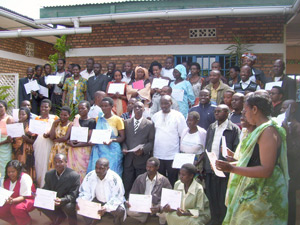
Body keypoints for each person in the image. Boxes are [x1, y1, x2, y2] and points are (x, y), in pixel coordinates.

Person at [216, 93, 289, 225]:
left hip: (263, 194)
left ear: (254, 109)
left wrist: (232, 168)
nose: (244, 115)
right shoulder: (260, 130)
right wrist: (229, 165)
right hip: (254, 191)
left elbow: (266, 170)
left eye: (246, 110)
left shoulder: (268, 131)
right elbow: (253, 161)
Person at [204, 104, 240, 225]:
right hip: (211, 166)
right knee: (211, 194)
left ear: (227, 113)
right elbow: (207, 145)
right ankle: (214, 219)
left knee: (223, 196)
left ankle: (223, 220)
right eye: (215, 111)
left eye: (220, 111)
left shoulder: (233, 128)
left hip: (224, 168)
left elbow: (236, 149)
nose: (216, 113)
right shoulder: (212, 127)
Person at [78, 158, 125, 225]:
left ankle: (117, 221)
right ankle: (92, 221)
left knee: (120, 210)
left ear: (107, 168)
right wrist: (81, 201)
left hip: (110, 202)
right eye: (96, 168)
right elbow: (85, 192)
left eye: (101, 168)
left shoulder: (114, 178)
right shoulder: (90, 175)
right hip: (97, 201)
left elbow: (117, 197)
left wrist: (106, 207)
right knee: (82, 205)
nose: (98, 170)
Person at [122, 101, 155, 197]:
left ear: (144, 109)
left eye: (140, 107)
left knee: (140, 184)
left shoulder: (149, 124)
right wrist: (124, 148)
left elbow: (151, 141)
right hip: (128, 159)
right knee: (127, 183)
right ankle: (127, 203)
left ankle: (139, 205)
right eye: (135, 107)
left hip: (141, 159)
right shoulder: (126, 122)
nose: (137, 109)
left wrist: (143, 149)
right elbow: (124, 139)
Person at [152, 95, 187, 186]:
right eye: (162, 104)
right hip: (158, 154)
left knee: (172, 179)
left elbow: (182, 135)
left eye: (166, 103)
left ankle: (172, 198)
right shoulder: (155, 116)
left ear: (171, 103)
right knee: (159, 180)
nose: (164, 106)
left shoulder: (178, 116)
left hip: (172, 155)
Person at [127, 157, 172, 225]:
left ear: (157, 167)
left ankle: (161, 222)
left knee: (166, 213)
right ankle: (145, 217)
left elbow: (168, 198)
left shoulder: (164, 180)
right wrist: (129, 201)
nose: (148, 169)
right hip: (143, 204)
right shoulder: (140, 178)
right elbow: (133, 193)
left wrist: (159, 207)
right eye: (147, 166)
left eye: (151, 167)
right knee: (129, 211)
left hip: (157, 206)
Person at [87, 97, 125, 177]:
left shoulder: (118, 120)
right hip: (99, 150)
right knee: (97, 172)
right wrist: (92, 140)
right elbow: (97, 134)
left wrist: (111, 140)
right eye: (102, 106)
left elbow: (122, 137)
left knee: (112, 172)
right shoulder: (98, 119)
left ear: (111, 106)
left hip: (112, 150)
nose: (103, 108)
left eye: (106, 106)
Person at [39, 154, 80, 225]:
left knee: (69, 207)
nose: (57, 164)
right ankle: (57, 218)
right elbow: (46, 188)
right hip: (54, 200)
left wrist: (61, 200)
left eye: (60, 162)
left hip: (66, 201)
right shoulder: (49, 174)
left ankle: (73, 221)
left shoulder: (74, 175)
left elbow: (73, 194)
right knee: (38, 202)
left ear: (66, 162)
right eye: (55, 162)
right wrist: (39, 195)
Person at [280, 100, 300, 225]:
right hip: (282, 168)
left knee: (290, 199)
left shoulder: (297, 127)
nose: (282, 110)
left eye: (285, 108)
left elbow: (295, 151)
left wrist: (287, 134)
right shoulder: (281, 123)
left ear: (292, 110)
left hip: (292, 169)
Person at [67, 101, 96, 182]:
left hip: (84, 151)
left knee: (83, 171)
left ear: (88, 109)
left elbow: (90, 139)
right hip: (73, 150)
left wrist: (77, 145)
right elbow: (69, 136)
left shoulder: (91, 121)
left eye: (83, 108)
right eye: (79, 108)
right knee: (72, 171)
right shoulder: (75, 119)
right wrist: (70, 142)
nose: (80, 110)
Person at [0, 160, 35, 225]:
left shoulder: (25, 178)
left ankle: (26, 222)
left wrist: (12, 201)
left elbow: (24, 196)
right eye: (8, 172)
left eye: (13, 171)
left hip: (28, 200)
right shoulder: (5, 180)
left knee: (16, 208)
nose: (10, 174)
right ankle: (15, 222)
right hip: (11, 201)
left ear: (18, 171)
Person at [33, 99, 59, 187]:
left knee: (49, 163)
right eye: (42, 107)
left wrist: (49, 134)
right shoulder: (37, 118)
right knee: (39, 164)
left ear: (50, 108)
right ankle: (40, 185)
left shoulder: (55, 118)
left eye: (46, 107)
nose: (43, 108)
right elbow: (33, 133)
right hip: (39, 143)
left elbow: (58, 131)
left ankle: (49, 185)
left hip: (50, 143)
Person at [12, 107, 36, 180]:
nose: (21, 116)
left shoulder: (31, 125)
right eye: (20, 114)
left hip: (26, 150)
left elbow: (34, 141)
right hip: (16, 149)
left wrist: (27, 139)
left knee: (26, 167)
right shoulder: (15, 124)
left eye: (23, 114)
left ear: (28, 115)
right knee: (16, 166)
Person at [180, 111, 206, 177]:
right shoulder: (184, 131)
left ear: (197, 121)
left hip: (196, 163)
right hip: (184, 161)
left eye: (191, 120)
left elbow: (205, 150)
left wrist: (198, 162)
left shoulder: (202, 133)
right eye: (188, 120)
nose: (189, 122)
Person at [0, 100, 14, 177]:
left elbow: (10, 139)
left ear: (5, 107)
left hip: (5, 149)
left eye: (1, 106)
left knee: (5, 168)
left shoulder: (9, 119)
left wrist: (2, 143)